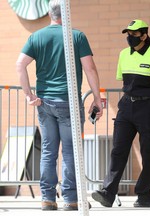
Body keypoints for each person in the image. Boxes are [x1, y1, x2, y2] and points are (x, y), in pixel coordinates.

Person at [16, 0, 103, 211]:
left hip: (44, 102)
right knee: (71, 151)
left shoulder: (36, 37)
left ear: (49, 14)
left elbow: (20, 64)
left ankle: (47, 198)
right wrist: (97, 99)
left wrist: (29, 95)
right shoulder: (77, 36)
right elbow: (90, 69)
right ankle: (71, 199)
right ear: (66, 13)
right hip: (68, 102)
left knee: (49, 150)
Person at [92, 19, 150, 208]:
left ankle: (144, 195)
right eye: (128, 34)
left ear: (144, 35)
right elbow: (126, 83)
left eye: (134, 34)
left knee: (149, 153)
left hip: (148, 108)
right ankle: (108, 193)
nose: (130, 37)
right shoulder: (123, 55)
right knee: (118, 150)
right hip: (126, 106)